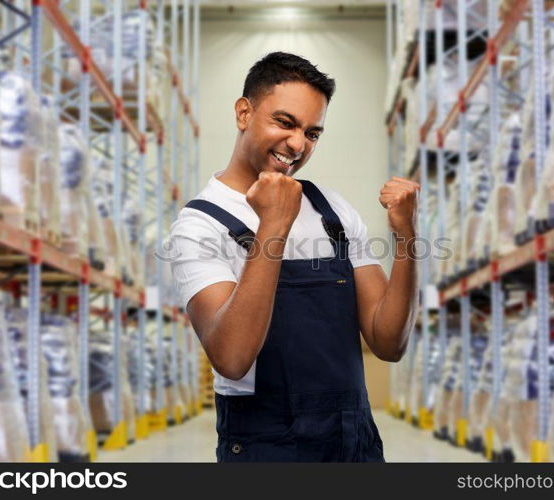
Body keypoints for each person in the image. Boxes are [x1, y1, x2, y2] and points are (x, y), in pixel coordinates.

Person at [168, 52, 419, 462]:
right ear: (244, 113)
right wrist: (274, 226)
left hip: (352, 441)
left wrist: (407, 237)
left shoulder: (332, 211)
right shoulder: (200, 226)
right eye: (284, 123)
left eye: (313, 133)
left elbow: (389, 342)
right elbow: (231, 358)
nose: (298, 144)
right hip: (266, 447)